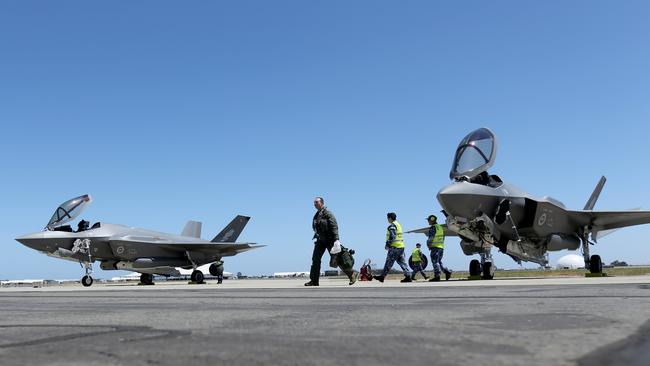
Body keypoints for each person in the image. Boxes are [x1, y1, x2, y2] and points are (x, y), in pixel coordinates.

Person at [305, 197, 358, 286]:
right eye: (314, 203)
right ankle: (314, 280)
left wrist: (336, 240)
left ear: (322, 203)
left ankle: (352, 274)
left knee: (338, 260)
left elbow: (334, 226)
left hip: (330, 240)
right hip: (320, 240)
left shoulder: (328, 213)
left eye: (316, 202)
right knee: (315, 259)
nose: (314, 204)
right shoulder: (317, 215)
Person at [373, 212, 412, 283]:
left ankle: (382, 277)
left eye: (387, 218)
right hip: (401, 246)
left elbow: (392, 236)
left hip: (395, 247)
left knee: (389, 262)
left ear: (390, 218)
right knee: (402, 262)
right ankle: (408, 276)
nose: (387, 219)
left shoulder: (392, 225)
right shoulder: (398, 224)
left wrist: (388, 245)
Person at [427, 215, 452, 282]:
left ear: (431, 220)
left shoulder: (433, 228)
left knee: (435, 261)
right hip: (441, 247)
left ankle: (437, 276)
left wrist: (429, 245)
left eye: (428, 220)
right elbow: (443, 237)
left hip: (435, 247)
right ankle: (447, 272)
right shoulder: (440, 227)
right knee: (439, 262)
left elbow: (431, 238)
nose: (428, 221)